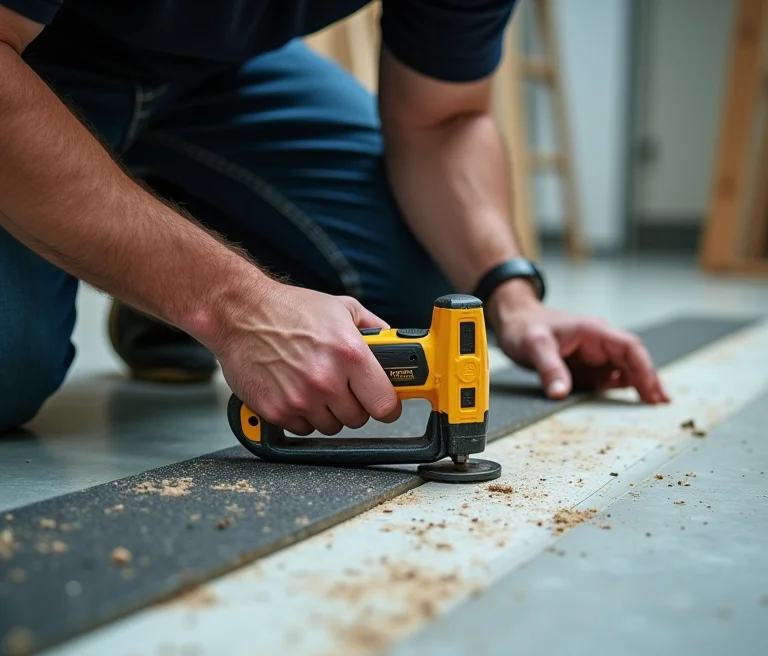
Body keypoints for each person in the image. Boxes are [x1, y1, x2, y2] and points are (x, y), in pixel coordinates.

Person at [0, 0, 670, 437]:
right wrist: (232, 304)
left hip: (217, 75)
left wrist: (511, 297)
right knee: (8, 370)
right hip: (31, 59)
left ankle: (164, 250)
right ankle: (166, 268)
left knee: (410, 299)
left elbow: (443, 118)